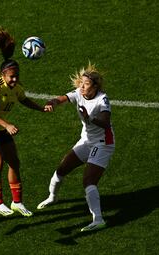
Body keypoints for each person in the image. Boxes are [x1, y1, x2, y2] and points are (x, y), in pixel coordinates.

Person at [0, 28, 51, 217]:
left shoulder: (17, 87)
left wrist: (41, 108)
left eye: (16, 76)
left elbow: (24, 99)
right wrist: (7, 125)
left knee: (14, 163)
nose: (15, 79)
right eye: (11, 76)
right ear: (3, 75)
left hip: (1, 126)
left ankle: (17, 202)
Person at [37, 63, 115, 232]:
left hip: (103, 143)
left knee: (88, 181)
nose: (81, 86)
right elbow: (62, 98)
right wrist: (52, 102)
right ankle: (52, 197)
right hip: (86, 141)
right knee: (61, 169)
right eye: (81, 83)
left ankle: (98, 220)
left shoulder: (102, 100)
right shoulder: (79, 93)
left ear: (95, 86)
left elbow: (105, 123)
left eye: (86, 84)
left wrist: (89, 118)